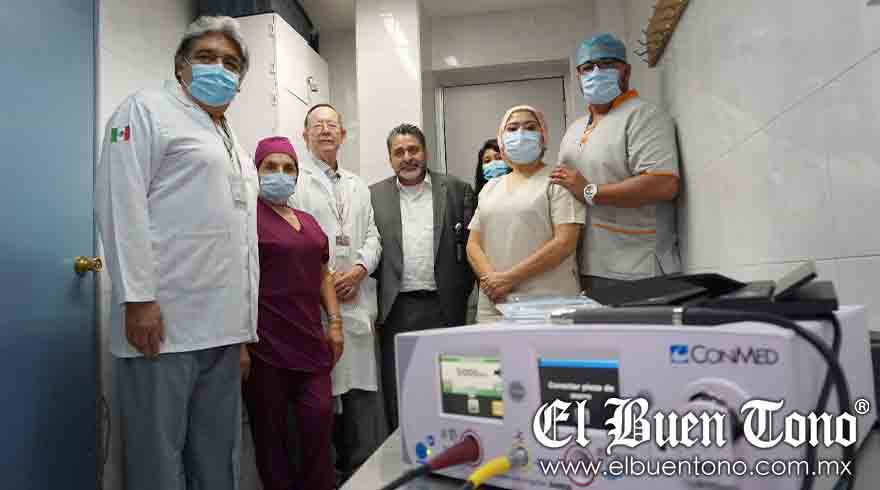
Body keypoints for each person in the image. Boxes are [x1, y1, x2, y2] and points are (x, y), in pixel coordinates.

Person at [95, 16, 258, 490]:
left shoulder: (227, 135)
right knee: (158, 461)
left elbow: (238, 238)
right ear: (180, 66)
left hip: (222, 329)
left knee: (217, 457)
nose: (219, 68)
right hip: (163, 326)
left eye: (230, 63)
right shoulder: (145, 110)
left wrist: (243, 330)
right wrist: (138, 297)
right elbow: (119, 203)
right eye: (206, 57)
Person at [290, 104, 385, 484]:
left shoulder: (357, 184)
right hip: (316, 307)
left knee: (360, 402)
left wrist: (360, 269)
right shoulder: (295, 181)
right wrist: (328, 281)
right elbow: (296, 240)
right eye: (318, 125)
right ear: (305, 135)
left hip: (356, 302)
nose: (326, 130)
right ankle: (325, 477)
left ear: (343, 135)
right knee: (321, 404)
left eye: (332, 125)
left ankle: (361, 475)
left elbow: (373, 236)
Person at [243, 136, 342, 490]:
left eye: (288, 168)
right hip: (265, 348)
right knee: (272, 441)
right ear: (255, 171)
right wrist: (240, 343)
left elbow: (323, 274)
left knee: (318, 428)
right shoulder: (246, 220)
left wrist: (335, 323)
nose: (280, 174)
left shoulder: (308, 222)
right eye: (271, 167)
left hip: (311, 346)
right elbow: (236, 280)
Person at [551, 33, 681, 295]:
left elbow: (664, 184)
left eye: (608, 64)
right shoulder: (574, 130)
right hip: (587, 264)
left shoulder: (644, 116)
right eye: (588, 67)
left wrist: (590, 191)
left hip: (638, 266)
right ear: (578, 76)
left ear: (627, 71)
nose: (596, 73)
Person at [370, 123, 475, 430]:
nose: (407, 157)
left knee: (450, 387)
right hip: (397, 310)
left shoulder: (456, 190)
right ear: (390, 158)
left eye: (413, 149)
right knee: (400, 390)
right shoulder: (374, 195)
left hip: (445, 307)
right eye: (399, 152)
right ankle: (402, 446)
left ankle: (453, 442)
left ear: (425, 151)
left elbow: (471, 249)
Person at [467, 106, 585, 323]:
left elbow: (565, 243)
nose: (521, 134)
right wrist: (492, 281)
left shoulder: (558, 180)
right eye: (512, 128)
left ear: (543, 137)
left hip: (546, 303)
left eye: (530, 127)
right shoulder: (490, 187)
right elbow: (473, 244)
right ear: (502, 139)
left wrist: (508, 279)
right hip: (494, 303)